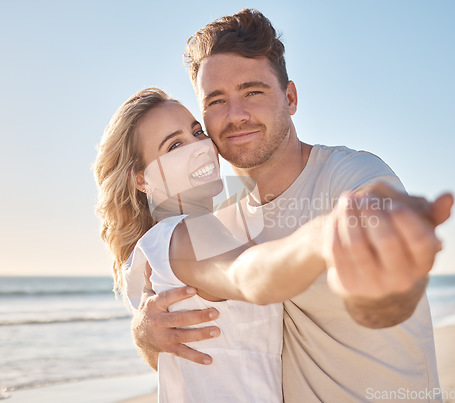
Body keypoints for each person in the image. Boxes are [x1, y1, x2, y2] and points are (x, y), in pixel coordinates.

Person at [130, 9, 453, 403]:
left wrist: (385, 266)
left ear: (291, 97)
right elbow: (199, 337)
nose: (236, 115)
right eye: (216, 101)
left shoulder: (348, 177)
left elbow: (386, 293)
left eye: (253, 92)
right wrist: (146, 332)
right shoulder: (222, 221)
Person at [94, 87, 344, 402]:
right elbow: (248, 275)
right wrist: (329, 232)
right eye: (174, 145)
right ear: (142, 179)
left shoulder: (163, 243)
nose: (199, 147)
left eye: (197, 132)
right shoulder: (186, 231)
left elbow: (173, 364)